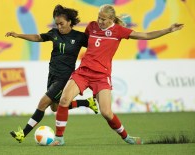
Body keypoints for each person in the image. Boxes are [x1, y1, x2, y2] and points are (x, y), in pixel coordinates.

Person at [51, 4, 184, 146]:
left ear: (111, 19)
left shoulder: (119, 31)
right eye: (98, 18)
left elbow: (145, 35)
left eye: (103, 19)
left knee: (107, 113)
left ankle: (127, 138)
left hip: (101, 76)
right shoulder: (91, 26)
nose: (100, 21)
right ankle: (59, 138)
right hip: (83, 72)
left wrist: (169, 29)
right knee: (64, 100)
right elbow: (84, 43)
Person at [5, 4, 99, 143]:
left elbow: (96, 47)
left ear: (70, 22)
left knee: (42, 103)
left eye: (62, 23)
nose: (59, 26)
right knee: (55, 107)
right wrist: (19, 35)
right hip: (52, 75)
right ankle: (87, 102)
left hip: (64, 78)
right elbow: (38, 37)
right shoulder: (54, 33)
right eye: (57, 24)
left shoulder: (79, 37)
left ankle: (22, 134)